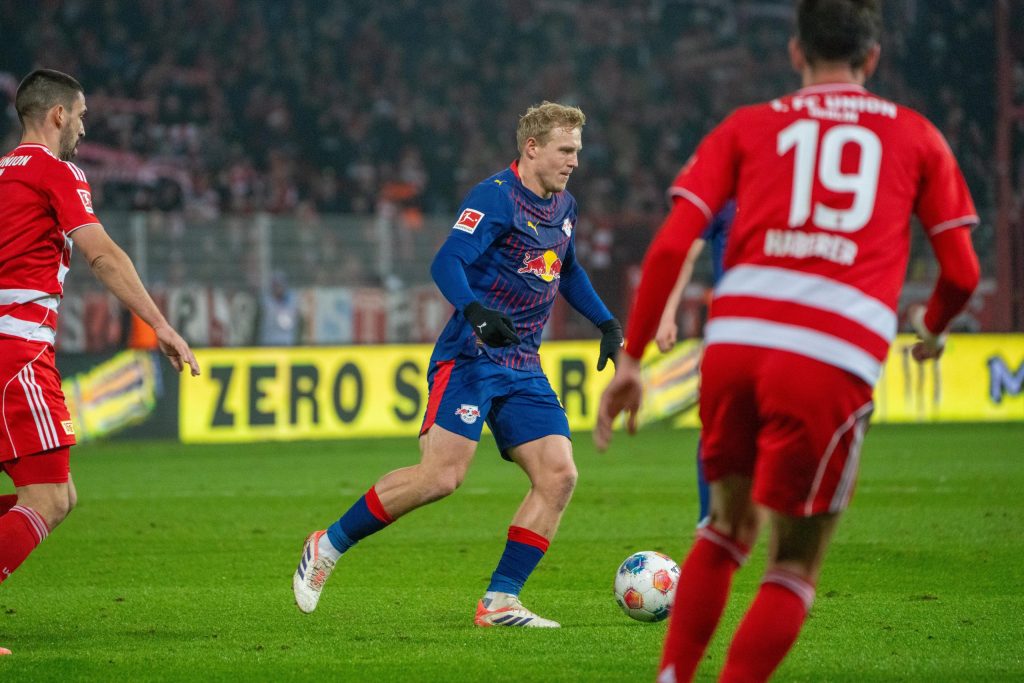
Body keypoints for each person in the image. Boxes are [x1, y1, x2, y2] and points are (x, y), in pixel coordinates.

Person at [595, 1, 980, 680]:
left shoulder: (745, 126)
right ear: (873, 58)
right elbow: (963, 273)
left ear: (796, 52)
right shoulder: (918, 136)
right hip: (829, 352)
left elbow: (671, 246)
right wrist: (931, 329)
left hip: (736, 344)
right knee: (793, 563)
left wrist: (631, 361)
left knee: (723, 529)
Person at [293, 101, 623, 628]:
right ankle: (327, 545)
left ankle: (501, 602)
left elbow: (567, 268)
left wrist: (606, 323)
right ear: (532, 148)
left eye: (577, 151)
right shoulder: (495, 197)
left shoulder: (564, 205)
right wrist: (475, 311)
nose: (574, 161)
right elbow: (446, 260)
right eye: (565, 150)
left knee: (559, 475)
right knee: (441, 477)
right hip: (471, 356)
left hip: (524, 364)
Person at [0, 69, 201, 655]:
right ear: (58, 115)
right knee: (49, 498)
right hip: (16, 353)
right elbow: (103, 255)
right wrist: (160, 324)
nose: (84, 129)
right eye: (82, 116)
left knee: (57, 495)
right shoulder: (55, 171)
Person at [654, 201, 734, 524]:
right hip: (730, 331)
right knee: (716, 427)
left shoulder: (791, 192)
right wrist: (667, 313)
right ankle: (707, 522)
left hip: (784, 331)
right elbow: (686, 254)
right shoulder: (726, 196)